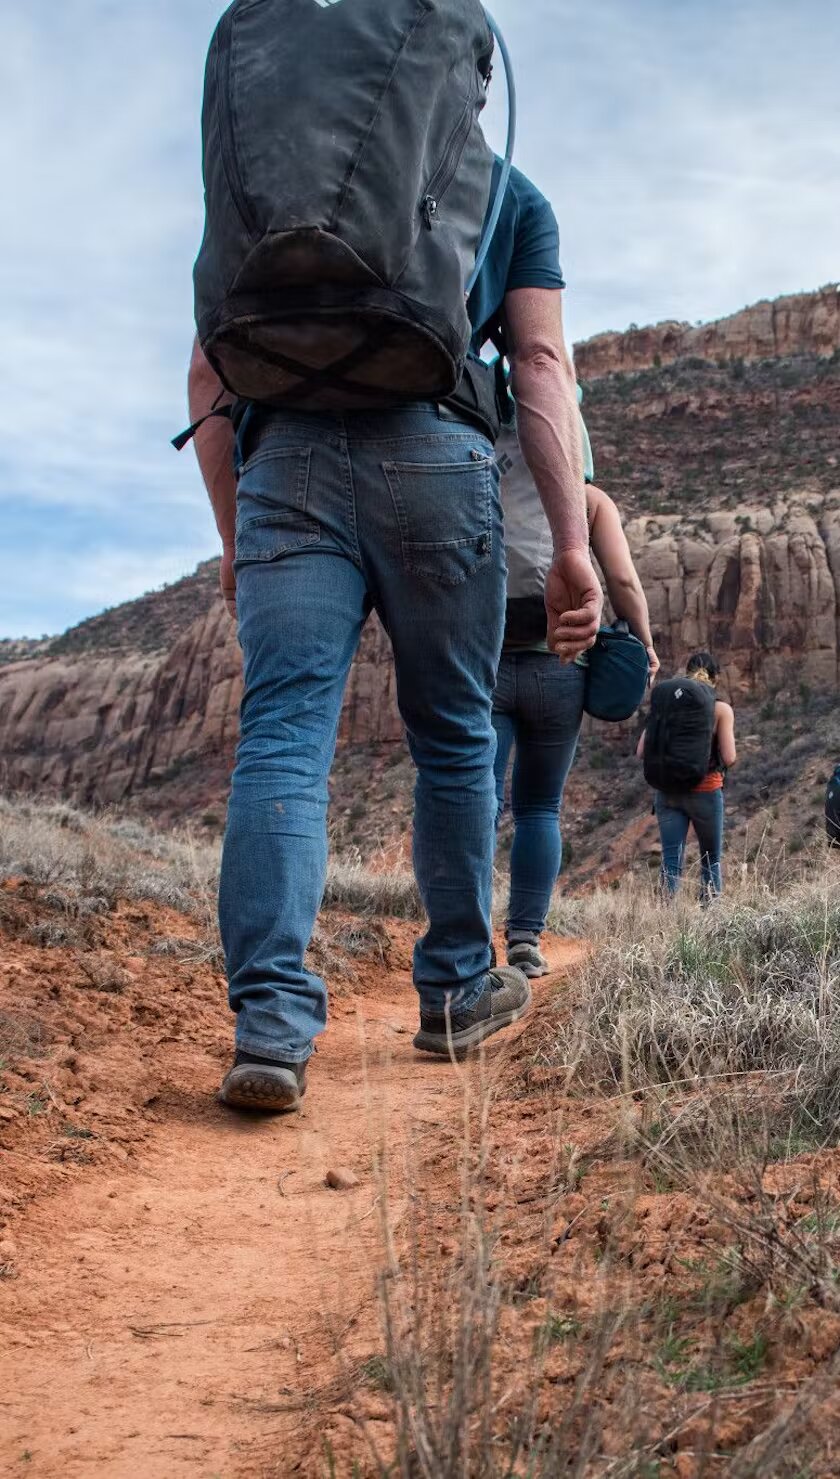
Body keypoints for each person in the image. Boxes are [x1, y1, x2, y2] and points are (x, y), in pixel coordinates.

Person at [188, 148, 604, 1110]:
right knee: (455, 736)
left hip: (283, 462)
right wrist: (571, 540)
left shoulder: (265, 182)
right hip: (439, 459)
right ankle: (458, 988)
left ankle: (270, 1026)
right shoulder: (508, 192)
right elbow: (541, 365)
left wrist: (230, 529)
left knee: (284, 737)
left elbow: (209, 370)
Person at [493, 418, 659, 977]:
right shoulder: (589, 500)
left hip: (483, 665)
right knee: (540, 807)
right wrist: (645, 643)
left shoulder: (480, 476)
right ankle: (524, 940)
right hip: (561, 666)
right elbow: (625, 583)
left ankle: (463, 940)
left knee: (478, 802)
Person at [639, 651, 737, 899]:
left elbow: (641, 751)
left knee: (671, 860)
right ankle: (711, 921)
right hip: (706, 791)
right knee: (710, 859)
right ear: (715, 678)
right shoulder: (721, 709)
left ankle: (664, 921)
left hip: (667, 793)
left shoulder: (666, 705)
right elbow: (729, 757)